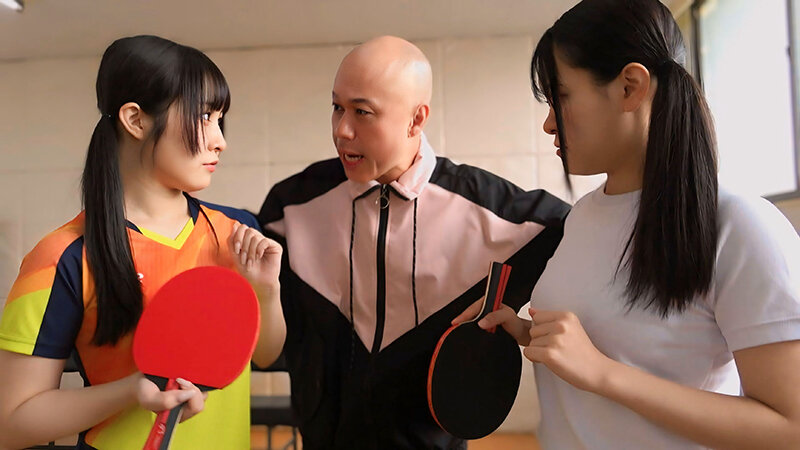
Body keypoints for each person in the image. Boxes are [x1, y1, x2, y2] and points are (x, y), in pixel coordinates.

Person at [454, 1, 800, 448]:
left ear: (629, 87)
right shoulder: (582, 217)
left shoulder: (740, 225)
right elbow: (608, 338)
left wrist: (603, 373)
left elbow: (789, 427)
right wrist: (527, 333)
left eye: (560, 97)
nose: (548, 124)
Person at [257, 35, 570, 449]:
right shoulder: (290, 207)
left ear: (416, 119)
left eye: (362, 112)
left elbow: (583, 236)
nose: (341, 130)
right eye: (337, 107)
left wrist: (517, 316)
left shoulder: (490, 209)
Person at [0, 35, 286, 450]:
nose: (219, 140)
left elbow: (265, 355)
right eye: (204, 117)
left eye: (219, 119)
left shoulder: (237, 230)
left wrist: (265, 291)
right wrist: (134, 389)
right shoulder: (63, 256)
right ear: (135, 120)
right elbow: (11, 423)